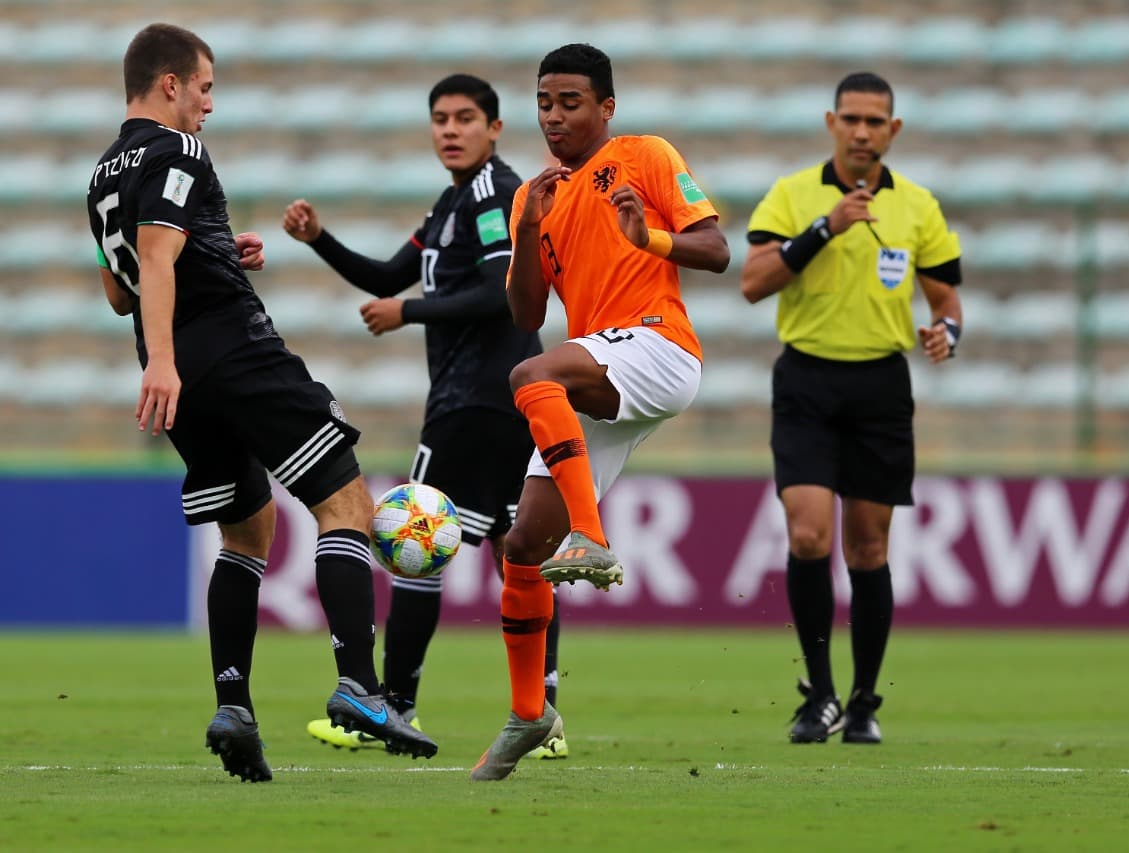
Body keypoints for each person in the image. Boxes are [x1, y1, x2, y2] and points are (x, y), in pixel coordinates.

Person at [86, 23, 437, 782]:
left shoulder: (100, 176)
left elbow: (121, 289)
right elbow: (153, 257)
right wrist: (171, 360)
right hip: (227, 352)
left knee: (247, 531)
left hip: (180, 370)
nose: (210, 104)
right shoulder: (177, 149)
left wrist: (213, 251)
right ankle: (360, 686)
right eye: (205, 86)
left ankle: (234, 704)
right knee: (343, 497)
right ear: (171, 83)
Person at [281, 73, 567, 761]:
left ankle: (393, 705)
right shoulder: (451, 202)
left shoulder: (496, 192)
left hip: (471, 402)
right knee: (518, 555)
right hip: (505, 400)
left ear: (495, 128)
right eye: (440, 118)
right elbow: (386, 276)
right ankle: (543, 712)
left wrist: (408, 311)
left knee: (414, 547)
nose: (450, 129)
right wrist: (320, 238)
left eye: (465, 118)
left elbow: (505, 291)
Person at [467, 43, 730, 782]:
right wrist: (526, 232)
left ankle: (592, 533)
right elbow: (524, 308)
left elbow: (715, 249)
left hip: (658, 346)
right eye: (545, 103)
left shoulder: (644, 157)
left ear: (606, 107)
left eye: (570, 103)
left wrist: (645, 236)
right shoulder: (534, 194)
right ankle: (528, 713)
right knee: (520, 546)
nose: (554, 117)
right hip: (598, 369)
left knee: (530, 372)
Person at [740, 71, 963, 746]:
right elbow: (752, 281)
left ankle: (864, 699)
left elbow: (947, 298)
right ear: (831, 122)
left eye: (876, 121)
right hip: (806, 379)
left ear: (893, 130)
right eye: (852, 119)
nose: (863, 131)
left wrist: (946, 332)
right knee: (809, 535)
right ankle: (821, 693)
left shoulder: (918, 206)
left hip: (880, 387)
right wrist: (823, 229)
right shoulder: (793, 194)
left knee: (868, 548)